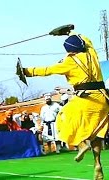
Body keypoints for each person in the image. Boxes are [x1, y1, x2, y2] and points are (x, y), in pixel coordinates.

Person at [22, 29, 109, 179]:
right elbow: (86, 40)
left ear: (69, 51)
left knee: (62, 118)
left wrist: (26, 71)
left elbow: (48, 70)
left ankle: (81, 144)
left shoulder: (69, 61)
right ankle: (97, 163)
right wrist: (70, 31)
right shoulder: (92, 53)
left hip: (85, 99)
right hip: (102, 99)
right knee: (96, 133)